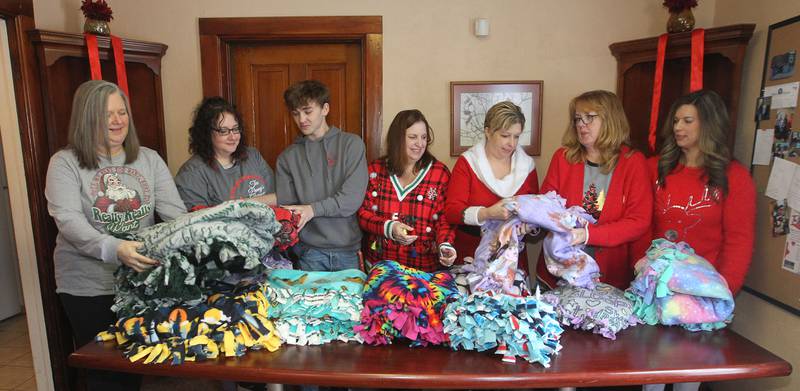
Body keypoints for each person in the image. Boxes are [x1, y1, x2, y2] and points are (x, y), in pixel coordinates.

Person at [44, 80, 186, 390]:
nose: (117, 120)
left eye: (122, 112)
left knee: (134, 366)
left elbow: (175, 214)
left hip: (140, 283)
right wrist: (115, 248)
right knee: (105, 374)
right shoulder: (64, 163)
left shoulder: (148, 159)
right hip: (88, 286)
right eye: (107, 114)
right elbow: (68, 221)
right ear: (86, 118)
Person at [633, 89, 756, 297]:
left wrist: (722, 292)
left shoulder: (735, 177)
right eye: (676, 121)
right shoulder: (652, 168)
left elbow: (739, 241)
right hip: (652, 285)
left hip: (704, 289)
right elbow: (639, 225)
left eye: (687, 121)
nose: (678, 127)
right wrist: (641, 272)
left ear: (709, 125)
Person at [536, 90, 651, 290]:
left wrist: (587, 235)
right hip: (559, 272)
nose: (581, 124)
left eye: (589, 117)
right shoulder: (563, 158)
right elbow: (546, 206)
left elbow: (638, 221)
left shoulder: (633, 162)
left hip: (610, 275)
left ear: (610, 120)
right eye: (578, 118)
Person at [276, 80, 368, 272]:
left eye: (307, 111)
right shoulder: (287, 158)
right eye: (295, 113)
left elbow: (351, 199)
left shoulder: (352, 144)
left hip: (348, 252)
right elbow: (289, 208)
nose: (302, 119)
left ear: (325, 109)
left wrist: (312, 209)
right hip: (309, 253)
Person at [444, 101, 539, 272]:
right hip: (469, 256)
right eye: (505, 135)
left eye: (516, 136)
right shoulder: (468, 163)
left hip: (512, 261)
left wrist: (530, 226)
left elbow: (537, 212)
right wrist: (487, 213)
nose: (511, 143)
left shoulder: (527, 167)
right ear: (487, 132)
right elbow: (451, 212)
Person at [358, 109, 456, 272]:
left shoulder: (440, 174)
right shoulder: (376, 170)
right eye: (413, 137)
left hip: (424, 272)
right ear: (397, 139)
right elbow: (362, 214)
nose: (420, 143)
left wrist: (446, 245)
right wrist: (389, 227)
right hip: (380, 270)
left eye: (424, 137)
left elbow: (445, 220)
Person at [175, 96, 276, 211]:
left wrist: (244, 203)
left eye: (235, 129)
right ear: (206, 133)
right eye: (223, 131)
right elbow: (198, 221)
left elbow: (278, 197)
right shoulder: (192, 173)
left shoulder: (253, 156)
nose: (232, 136)